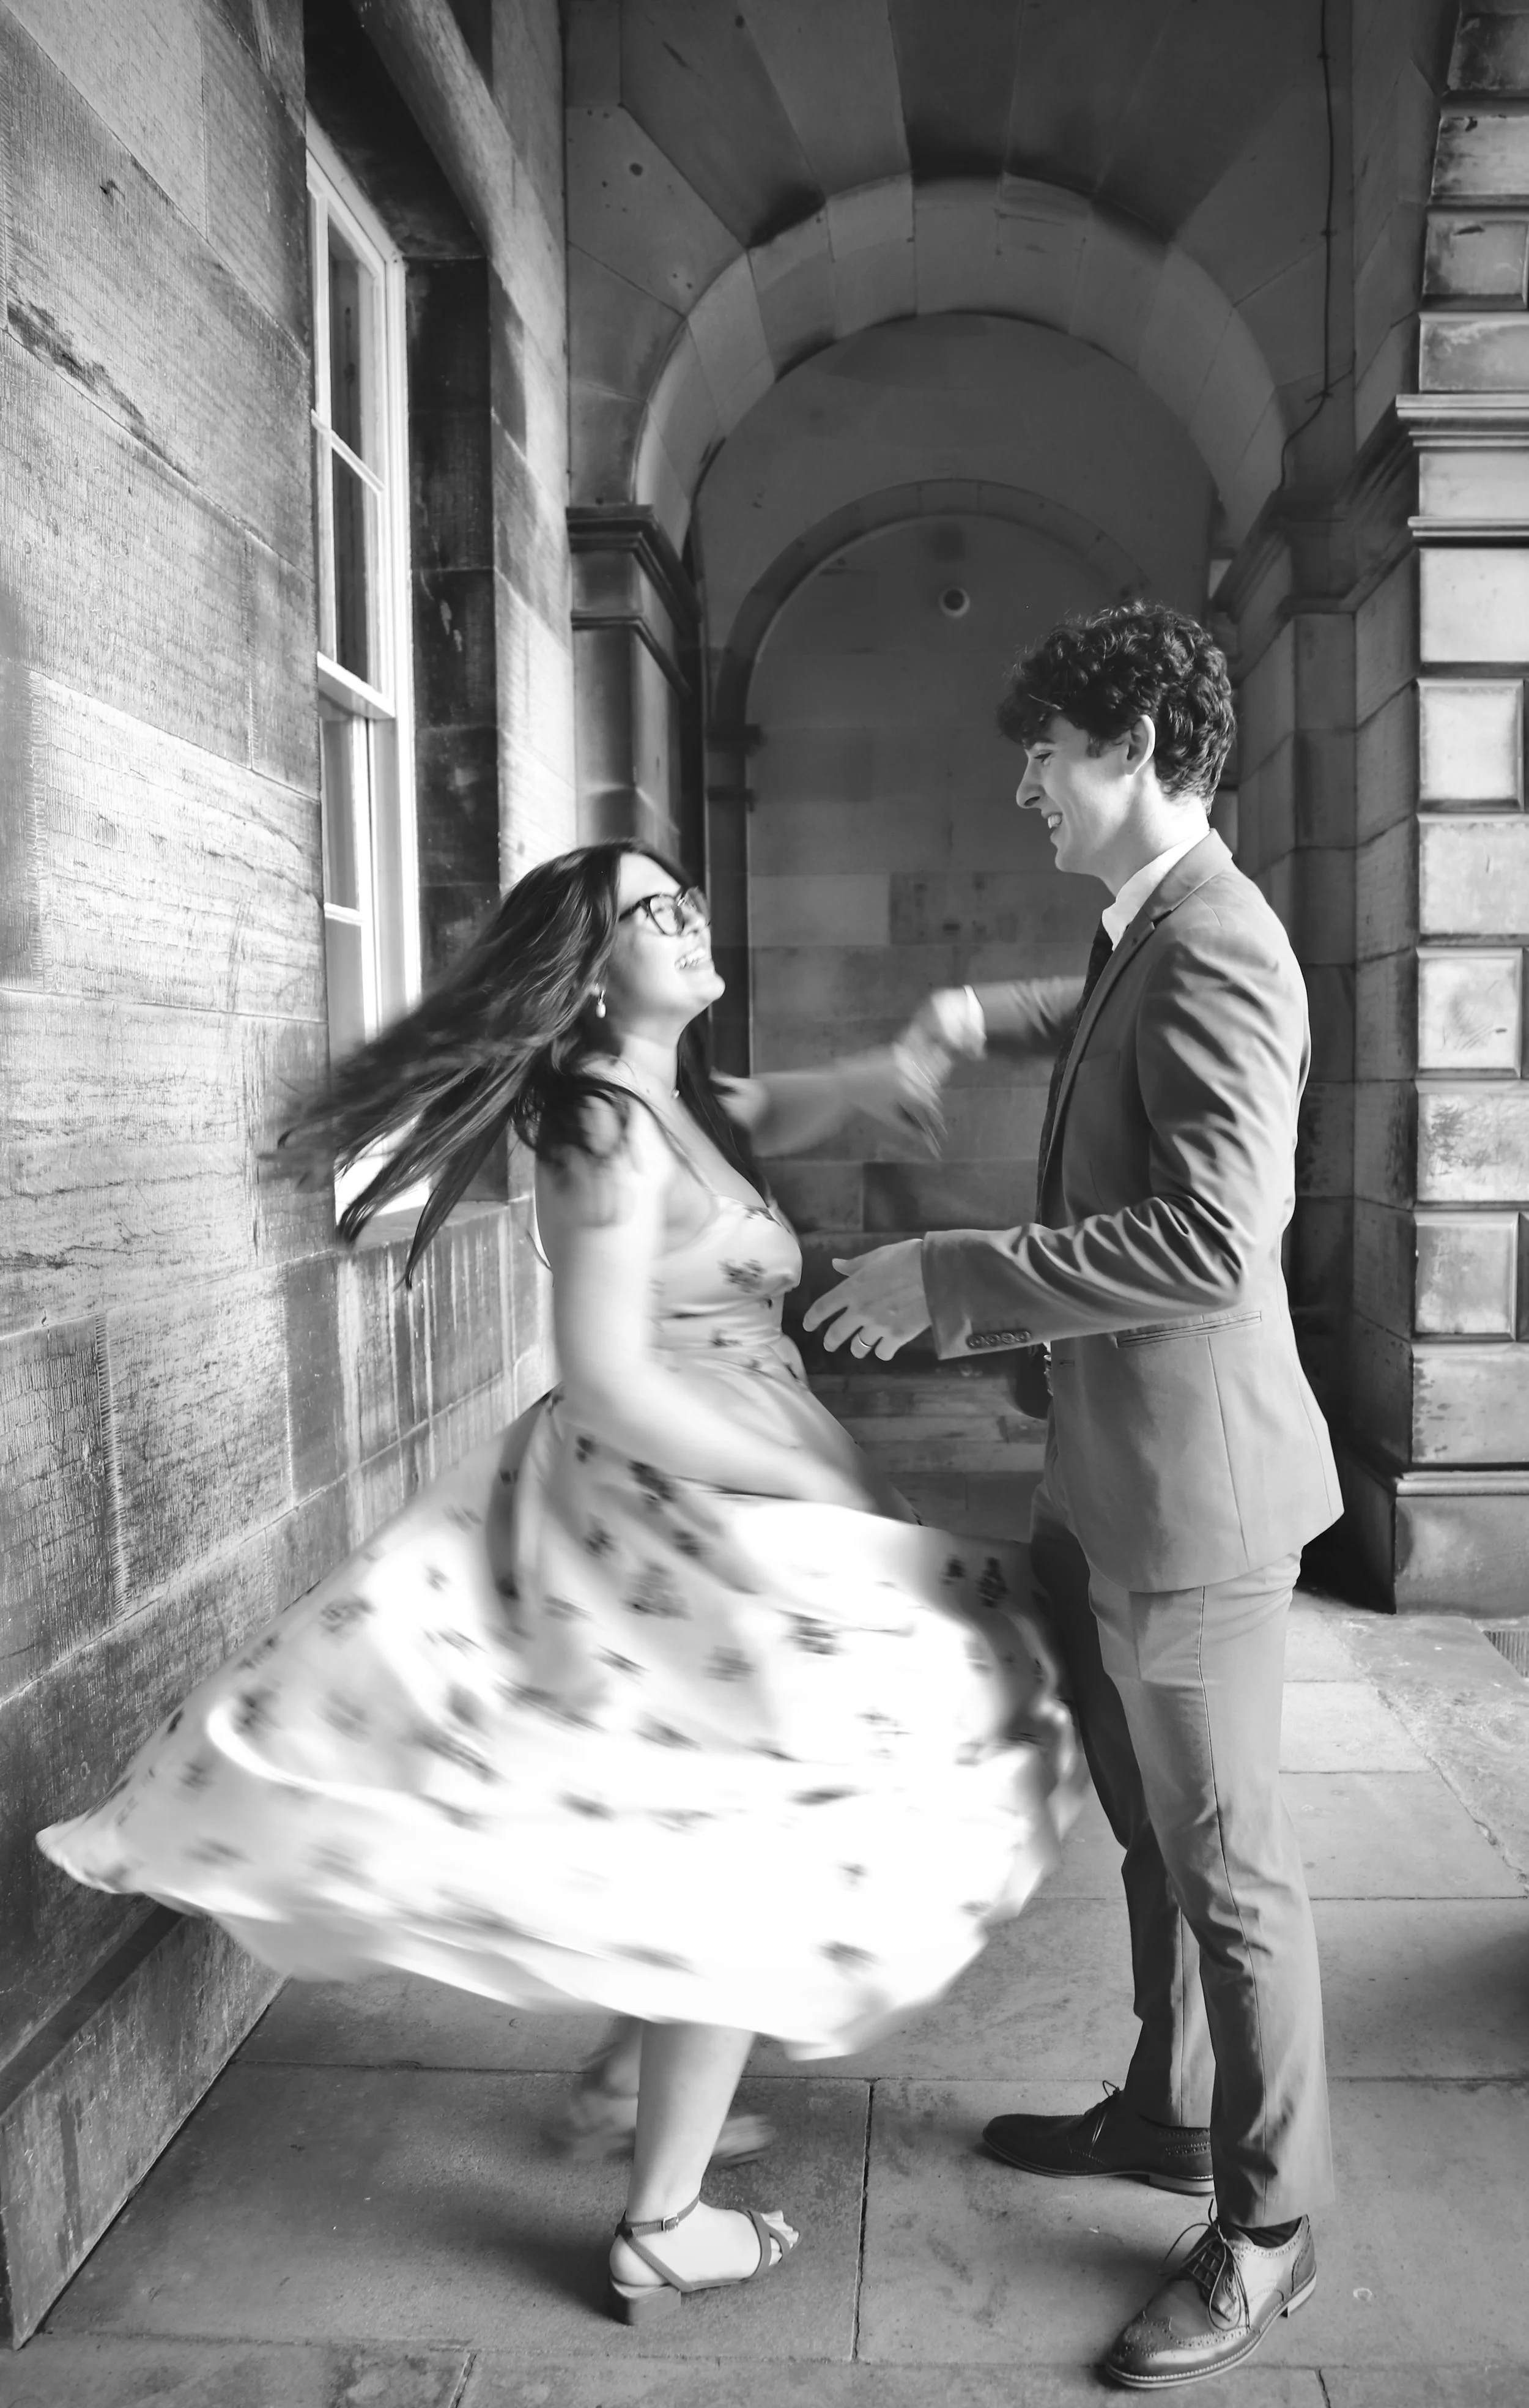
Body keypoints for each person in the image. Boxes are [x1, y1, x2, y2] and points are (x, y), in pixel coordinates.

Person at [39, 839, 1081, 2328]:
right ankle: (661, 2220)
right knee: (784, 1814)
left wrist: (912, 1056)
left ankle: (630, 2064)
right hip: (679, 1496)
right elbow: (602, 1377)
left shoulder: (671, 1099)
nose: (690, 915)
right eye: (654, 910)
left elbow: (780, 1119)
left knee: (737, 1787)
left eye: (685, 894)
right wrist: (802, 1483)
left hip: (735, 1469)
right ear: (593, 969)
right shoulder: (595, 1126)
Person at [806, 603, 1342, 2391]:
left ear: (1132, 750)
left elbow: (1206, 1239)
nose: (1022, 785)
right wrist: (961, 1010)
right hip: (1103, 1484)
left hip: (1194, 1508)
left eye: (1045, 754)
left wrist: (947, 1274)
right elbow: (1092, 1005)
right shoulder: (1147, 925)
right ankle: (1160, 2113)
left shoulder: (1222, 949)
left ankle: (1266, 2224)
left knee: (1229, 1874)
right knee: (1145, 1838)